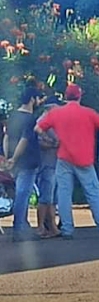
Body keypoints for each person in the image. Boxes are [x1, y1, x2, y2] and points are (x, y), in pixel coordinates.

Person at [36, 84, 99, 240]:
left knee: (64, 194)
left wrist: (51, 140)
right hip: (85, 159)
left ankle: (67, 230)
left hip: (64, 157)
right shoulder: (88, 113)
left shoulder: (56, 113)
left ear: (65, 96)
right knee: (94, 193)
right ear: (79, 96)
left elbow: (38, 128)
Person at [2, 86, 43, 242]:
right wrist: (15, 158)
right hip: (27, 161)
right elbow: (24, 140)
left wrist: (8, 157)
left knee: (20, 193)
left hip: (14, 161)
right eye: (38, 98)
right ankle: (19, 228)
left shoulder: (12, 116)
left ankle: (23, 225)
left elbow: (6, 137)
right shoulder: (30, 119)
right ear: (32, 99)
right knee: (22, 194)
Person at [34, 94, 63, 238]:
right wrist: (53, 144)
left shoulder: (54, 122)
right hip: (46, 164)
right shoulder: (42, 121)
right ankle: (40, 227)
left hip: (54, 163)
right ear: (51, 107)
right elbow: (38, 142)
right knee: (45, 197)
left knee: (51, 198)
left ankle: (52, 227)